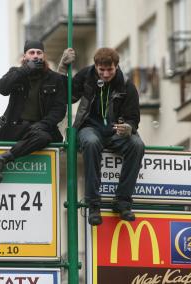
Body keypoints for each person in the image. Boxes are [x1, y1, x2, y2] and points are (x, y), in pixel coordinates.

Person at [58, 47, 145, 226]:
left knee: (137, 145)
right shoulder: (85, 75)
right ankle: (93, 204)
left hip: (115, 131)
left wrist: (129, 127)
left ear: (117, 67)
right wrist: (62, 68)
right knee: (91, 142)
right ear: (95, 66)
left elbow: (133, 117)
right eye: (101, 70)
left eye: (110, 70)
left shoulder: (126, 84)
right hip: (89, 127)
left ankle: (122, 202)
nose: (105, 74)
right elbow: (66, 96)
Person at [0, 40, 66, 183]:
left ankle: (0, 159)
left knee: (44, 138)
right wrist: (25, 70)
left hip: (39, 129)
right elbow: (1, 88)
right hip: (15, 128)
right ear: (25, 56)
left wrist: (43, 125)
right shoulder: (16, 73)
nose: (36, 56)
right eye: (32, 53)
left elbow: (59, 109)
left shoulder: (54, 78)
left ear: (44, 56)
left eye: (39, 53)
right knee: (42, 137)